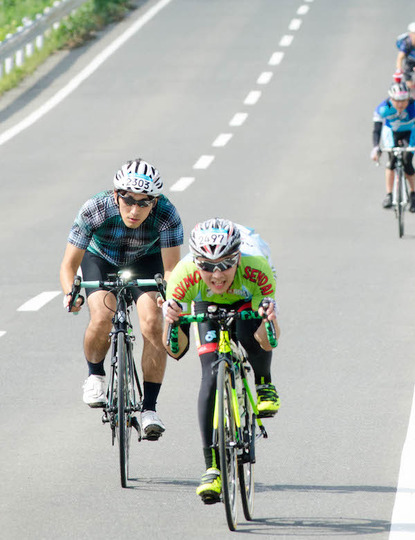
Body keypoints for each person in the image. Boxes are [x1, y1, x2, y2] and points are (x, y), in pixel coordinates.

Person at [60, 158, 183, 439]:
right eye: (128, 200)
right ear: (116, 195)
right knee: (102, 317)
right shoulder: (95, 209)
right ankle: (95, 375)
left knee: (153, 323)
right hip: (101, 257)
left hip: (145, 261)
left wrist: (171, 296)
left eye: (144, 202)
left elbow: (171, 269)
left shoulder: (167, 214)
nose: (135, 209)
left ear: (156, 200)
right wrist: (71, 293)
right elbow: (68, 265)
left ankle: (149, 408)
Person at [162, 218, 280, 504]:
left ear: (237, 258)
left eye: (225, 265)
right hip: (206, 304)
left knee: (252, 334)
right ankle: (212, 467)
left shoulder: (256, 269)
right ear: (196, 263)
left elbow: (269, 339)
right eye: (207, 266)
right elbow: (176, 351)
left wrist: (268, 320)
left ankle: (265, 384)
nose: (216, 275)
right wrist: (173, 323)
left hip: (245, 297)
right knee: (210, 374)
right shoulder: (183, 276)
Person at [371, 81, 415, 212]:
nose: (400, 104)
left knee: (407, 162)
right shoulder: (383, 108)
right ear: (391, 99)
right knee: (391, 161)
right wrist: (376, 147)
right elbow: (377, 130)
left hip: (409, 132)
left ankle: (413, 194)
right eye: (397, 101)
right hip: (391, 132)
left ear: (408, 99)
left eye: (403, 101)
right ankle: (389, 195)